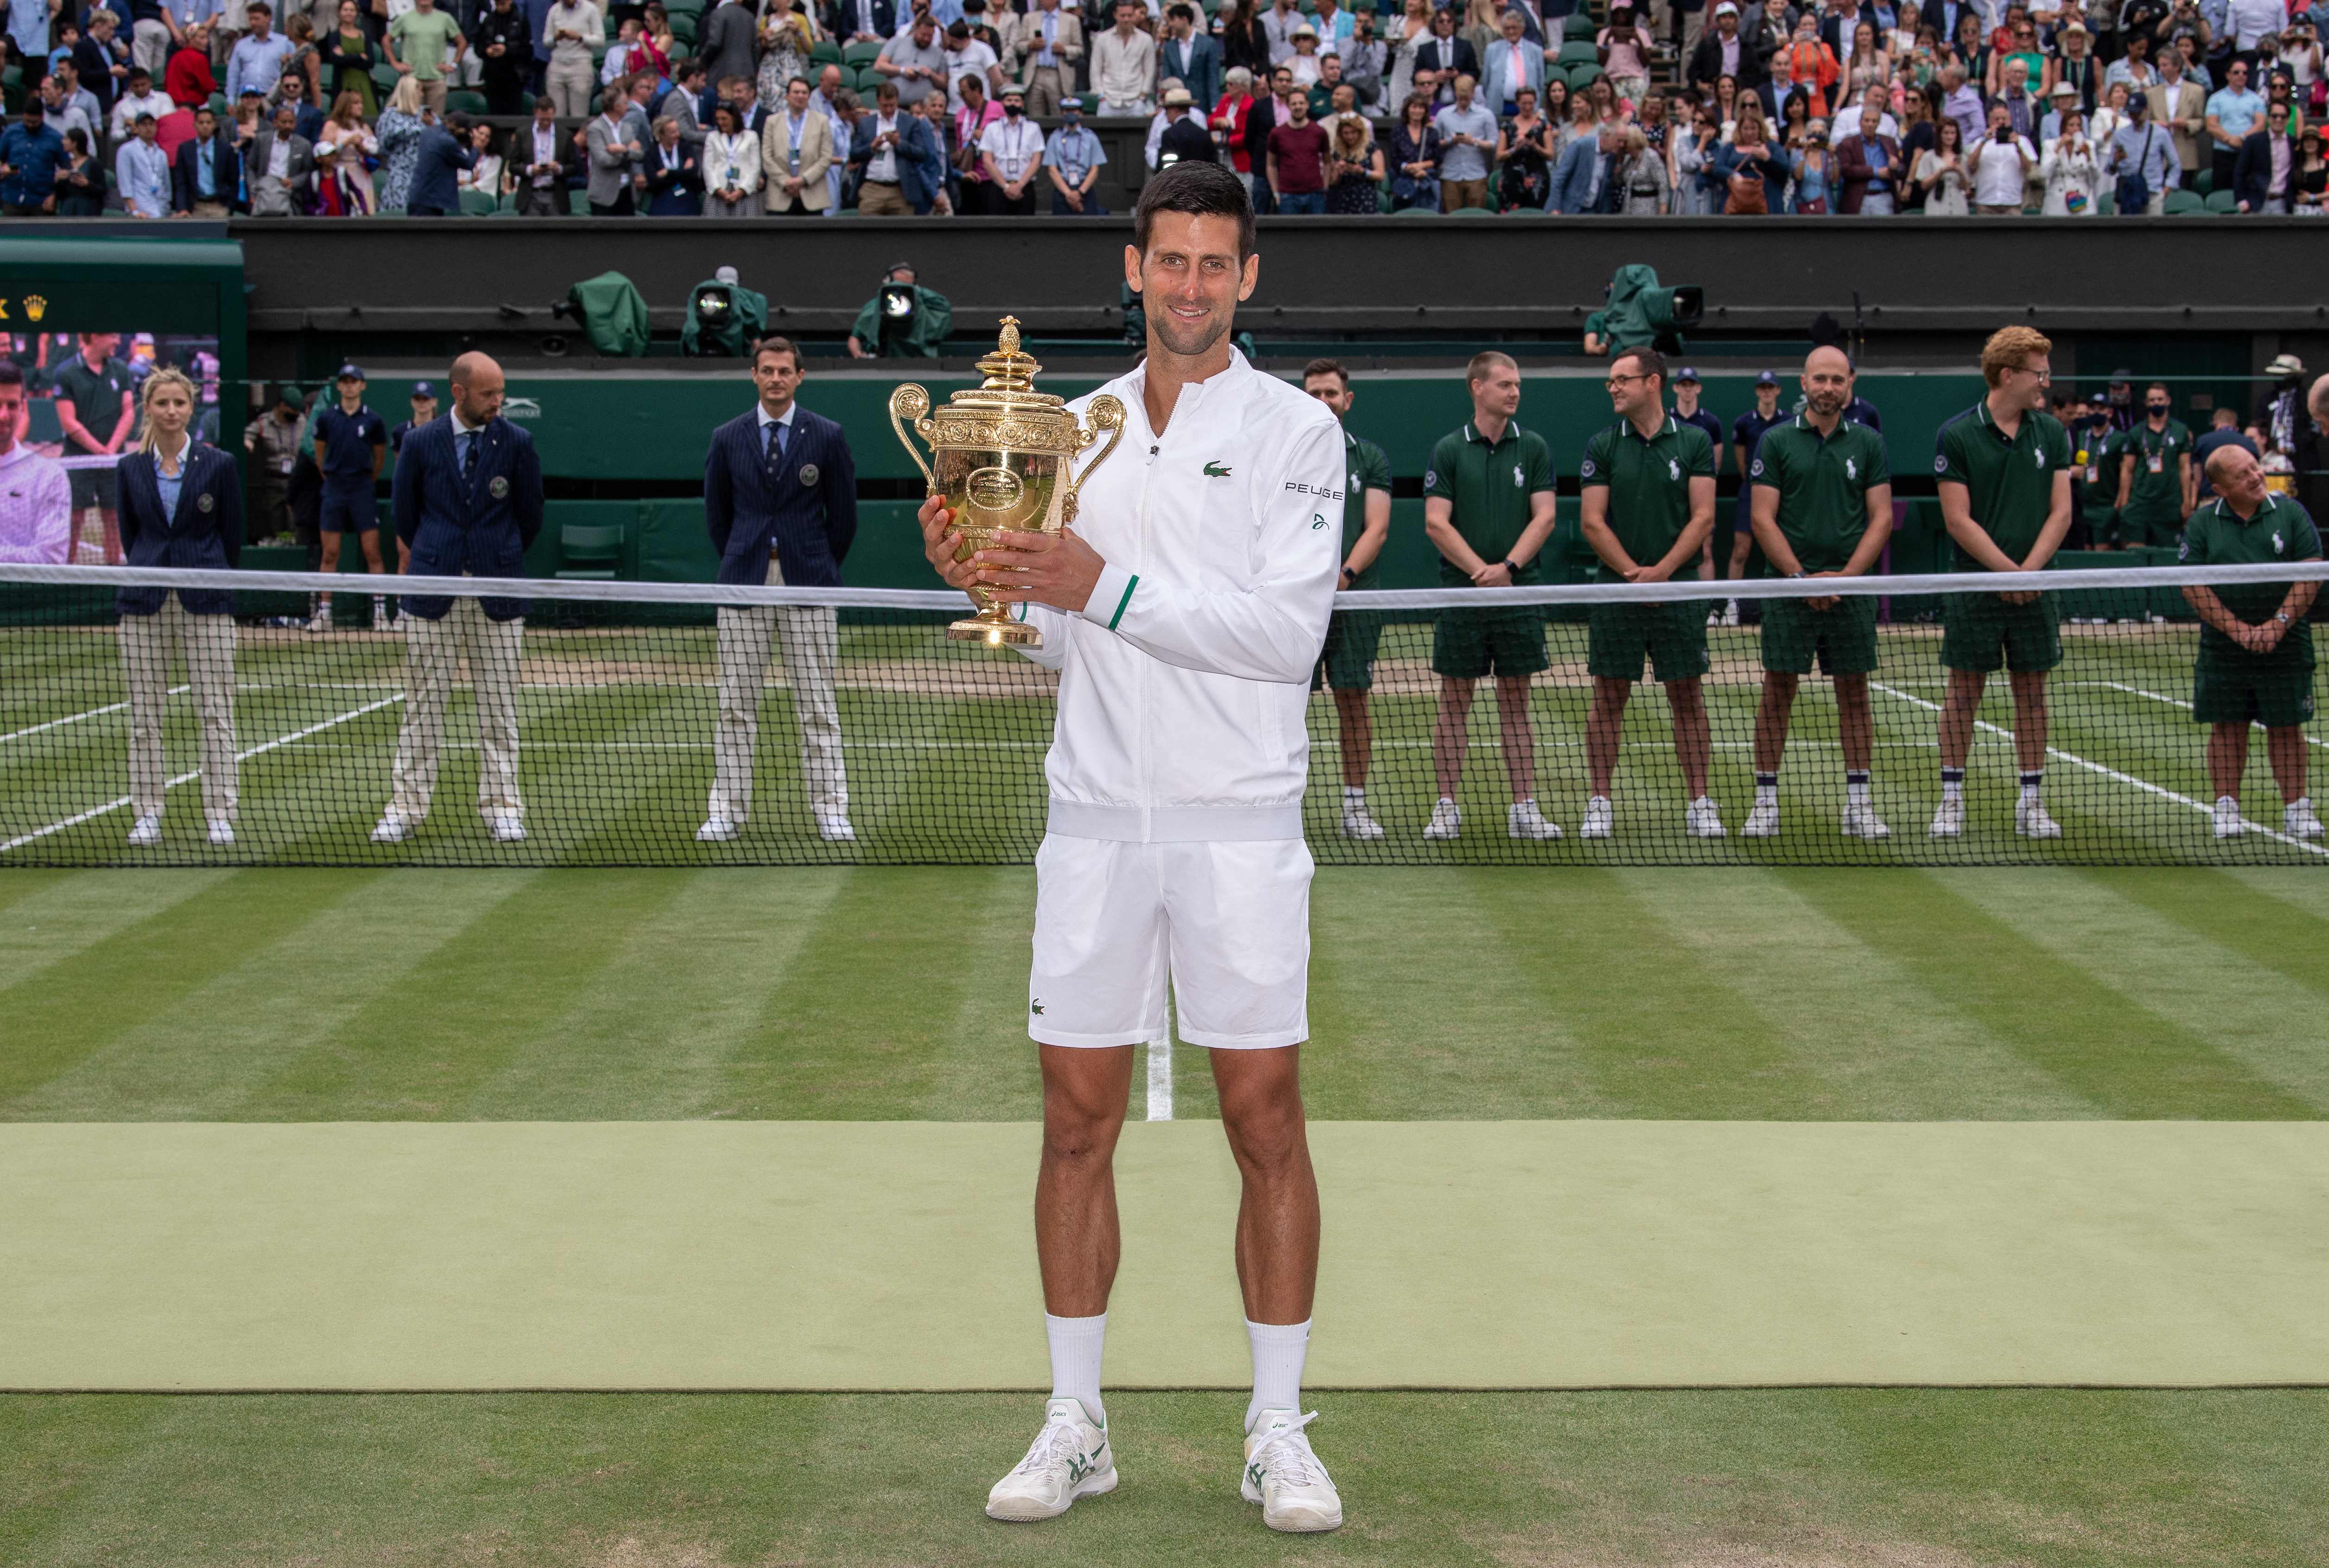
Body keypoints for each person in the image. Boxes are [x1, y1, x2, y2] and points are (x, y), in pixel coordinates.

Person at [915, 162, 1349, 1535]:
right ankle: (1074, 1422)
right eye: (1170, 261)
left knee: (1263, 1124)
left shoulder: (1296, 433)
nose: (1190, 285)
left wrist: (1097, 584)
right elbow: (1055, 627)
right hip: (1095, 823)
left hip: (1238, 826)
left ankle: (1277, 1429)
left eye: (1213, 264)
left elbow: (1285, 637)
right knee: (1070, 1130)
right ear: (1134, 268)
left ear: (1248, 278)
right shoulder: (1069, 428)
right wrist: (987, 573)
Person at [372, 353, 543, 848]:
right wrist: (442, 556)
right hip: (433, 587)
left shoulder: (517, 442)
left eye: (501, 392)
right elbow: (405, 516)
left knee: (499, 707)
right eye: (488, 393)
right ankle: (406, 806)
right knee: (423, 706)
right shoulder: (420, 443)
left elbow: (529, 515)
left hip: (498, 588)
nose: (498, 401)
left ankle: (503, 807)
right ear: (458, 392)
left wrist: (494, 558)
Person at [699, 335, 857, 844]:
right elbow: (717, 517)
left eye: (784, 371)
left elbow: (844, 519)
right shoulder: (727, 437)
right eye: (766, 370)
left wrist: (813, 561)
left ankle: (831, 810)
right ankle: (726, 811)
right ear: (754, 375)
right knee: (735, 705)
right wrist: (747, 555)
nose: (775, 379)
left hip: (809, 581)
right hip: (744, 580)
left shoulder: (827, 435)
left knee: (817, 705)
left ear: (799, 377)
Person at [1743, 344, 1895, 841]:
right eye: (1819, 379)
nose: (1828, 388)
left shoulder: (1869, 442)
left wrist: (1846, 578)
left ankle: (1858, 803)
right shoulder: (1775, 441)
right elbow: (1761, 518)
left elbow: (1881, 518)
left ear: (1848, 384)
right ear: (1802, 383)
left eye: (1837, 380)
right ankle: (1764, 801)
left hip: (1849, 592)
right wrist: (1798, 579)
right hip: (1789, 591)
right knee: (1777, 693)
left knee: (1854, 695)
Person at [1930, 326, 2074, 842]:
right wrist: (2006, 574)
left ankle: (2030, 801)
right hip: (1976, 588)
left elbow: (2060, 511)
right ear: (2008, 374)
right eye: (2038, 372)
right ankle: (1950, 799)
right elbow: (1957, 520)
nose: (2046, 381)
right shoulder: (1956, 434)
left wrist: (2029, 571)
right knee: (1963, 692)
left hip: (2035, 586)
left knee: (2032, 695)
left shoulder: (2052, 433)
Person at [1577, 347, 1723, 841]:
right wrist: (1632, 575)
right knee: (1608, 697)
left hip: (1677, 593)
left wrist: (1661, 573)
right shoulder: (1601, 445)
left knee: (1687, 697)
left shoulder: (1696, 441)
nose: (1613, 387)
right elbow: (1592, 521)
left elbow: (1702, 516)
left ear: (1653, 382)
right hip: (1617, 594)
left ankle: (1700, 800)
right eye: (1610, 381)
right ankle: (1599, 800)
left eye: (1622, 379)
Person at [1420, 351, 1561, 842]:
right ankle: (1445, 805)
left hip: (1518, 595)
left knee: (1516, 702)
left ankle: (1523, 806)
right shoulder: (1448, 450)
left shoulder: (1535, 448)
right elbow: (1435, 521)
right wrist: (1480, 571)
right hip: (1463, 595)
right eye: (1504, 384)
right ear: (1477, 388)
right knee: (1454, 700)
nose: (1514, 392)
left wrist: (1509, 569)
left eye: (1517, 384)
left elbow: (1544, 516)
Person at [114, 367, 242, 850]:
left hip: (206, 598)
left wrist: (206, 575)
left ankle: (220, 813)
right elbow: (133, 536)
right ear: (148, 408)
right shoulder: (129, 468)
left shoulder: (220, 465)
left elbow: (231, 537)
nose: (171, 411)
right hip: (143, 600)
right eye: (162, 403)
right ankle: (147, 812)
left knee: (216, 712)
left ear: (191, 408)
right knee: (145, 715)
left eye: (180, 403)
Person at [2180, 444, 2324, 840]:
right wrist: (2238, 629)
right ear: (2220, 487)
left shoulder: (2291, 513)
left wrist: (2276, 624)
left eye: (2255, 467)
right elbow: (2192, 585)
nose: (2256, 476)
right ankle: (2226, 808)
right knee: (2227, 727)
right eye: (2243, 474)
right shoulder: (2203, 522)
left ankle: (2297, 807)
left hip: (2287, 644)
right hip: (2224, 649)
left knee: (2286, 727)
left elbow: (2310, 573)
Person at [1300, 358, 1392, 840]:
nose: (1322, 401)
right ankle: (1280, 806)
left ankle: (1354, 807)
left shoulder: (1370, 458)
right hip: (1295, 603)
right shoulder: (1285, 455)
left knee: (1353, 701)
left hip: (1353, 601)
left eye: (1330, 393)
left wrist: (1344, 575)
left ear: (1346, 400)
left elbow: (1376, 526)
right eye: (1313, 393)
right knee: (1285, 704)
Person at [308, 362, 389, 632]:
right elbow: (320, 455)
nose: (350, 386)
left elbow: (379, 458)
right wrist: (332, 477)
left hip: (362, 489)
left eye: (354, 381)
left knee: (372, 551)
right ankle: (324, 614)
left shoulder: (374, 420)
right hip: (334, 488)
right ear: (339, 386)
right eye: (345, 381)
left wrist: (366, 480)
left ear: (362, 386)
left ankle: (380, 613)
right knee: (330, 553)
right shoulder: (326, 419)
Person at [0, 363, 71, 565]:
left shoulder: (50, 476)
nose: (4, 415)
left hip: (26, 596)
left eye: (12, 406)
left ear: (23, 407)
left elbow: (51, 558)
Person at [2112, 382, 2193, 550]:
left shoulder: (2180, 430)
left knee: (2168, 555)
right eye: (2152, 400)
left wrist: (2187, 501)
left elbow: (2185, 468)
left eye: (2160, 399)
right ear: (2147, 403)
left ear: (2168, 401)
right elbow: (2127, 469)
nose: (2157, 403)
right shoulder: (2136, 432)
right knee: (2136, 553)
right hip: (2141, 502)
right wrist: (2125, 502)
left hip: (2169, 503)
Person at [851, 78, 940, 213]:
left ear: (897, 101)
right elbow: (854, 154)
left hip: (901, 190)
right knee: (868, 233)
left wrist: (899, 143)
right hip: (872, 189)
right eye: (884, 105)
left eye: (892, 105)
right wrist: (872, 147)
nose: (888, 109)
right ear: (878, 102)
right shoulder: (866, 123)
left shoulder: (910, 123)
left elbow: (922, 154)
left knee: (902, 233)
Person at [55, 333, 137, 458]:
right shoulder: (65, 373)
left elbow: (128, 411)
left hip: (115, 459)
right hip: (78, 461)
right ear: (95, 337)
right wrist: (101, 452)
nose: (118, 342)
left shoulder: (121, 369)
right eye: (113, 337)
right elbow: (68, 421)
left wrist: (111, 450)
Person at [762, 72, 834, 213]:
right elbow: (767, 157)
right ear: (787, 96)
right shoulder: (772, 121)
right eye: (796, 92)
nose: (800, 96)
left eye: (804, 93)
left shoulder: (822, 121)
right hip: (780, 195)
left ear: (809, 96)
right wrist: (786, 182)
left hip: (812, 193)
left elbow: (826, 158)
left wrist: (803, 180)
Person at [846, 259, 951, 357]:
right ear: (888, 283)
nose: (899, 288)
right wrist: (858, 354)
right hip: (884, 363)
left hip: (920, 363)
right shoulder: (874, 306)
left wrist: (916, 291)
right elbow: (855, 338)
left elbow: (944, 305)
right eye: (896, 284)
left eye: (905, 286)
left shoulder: (926, 306)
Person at [385, 0, 463, 117]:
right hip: (412, 80)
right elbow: (386, 40)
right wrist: (394, 63)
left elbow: (462, 42)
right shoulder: (405, 18)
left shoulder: (445, 18)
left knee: (436, 121)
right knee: (411, 119)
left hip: (437, 79)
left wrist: (454, 64)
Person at [1432, 69, 1495, 208]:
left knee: (1476, 219)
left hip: (1476, 174)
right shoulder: (1443, 114)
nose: (1463, 101)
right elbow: (1434, 143)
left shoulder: (1486, 115)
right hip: (1450, 174)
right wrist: (1451, 141)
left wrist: (1474, 142)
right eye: (1460, 97)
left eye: (1466, 97)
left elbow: (1493, 143)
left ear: (1473, 93)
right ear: (1455, 93)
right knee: (1451, 219)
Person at [1264, 73, 1328, 210]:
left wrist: (1325, 188)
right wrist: (1276, 192)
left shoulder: (1319, 131)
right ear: (1288, 106)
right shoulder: (1277, 133)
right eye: (1294, 104)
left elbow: (1328, 162)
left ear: (1307, 105)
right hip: (1287, 195)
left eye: (1301, 103)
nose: (1298, 107)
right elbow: (1271, 165)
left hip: (1315, 194)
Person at [977, 82, 1043, 213]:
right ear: (1002, 103)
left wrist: (1019, 186)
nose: (1013, 104)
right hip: (999, 188)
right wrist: (1006, 186)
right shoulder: (992, 129)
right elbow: (987, 161)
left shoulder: (1033, 128)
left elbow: (1036, 161)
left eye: (1017, 101)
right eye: (1009, 100)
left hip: (1025, 188)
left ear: (1023, 104)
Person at [402, 105, 474, 215]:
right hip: (431, 202)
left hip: (416, 197)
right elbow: (468, 164)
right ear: (457, 127)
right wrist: (477, 147)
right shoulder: (447, 141)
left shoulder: (427, 132)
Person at [0, 97, 67, 215]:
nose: (31, 125)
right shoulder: (11, 133)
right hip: (13, 198)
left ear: (42, 117)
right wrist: (4, 170)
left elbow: (66, 167)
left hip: (42, 201)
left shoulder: (54, 138)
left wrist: (55, 195)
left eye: (34, 122)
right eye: (28, 121)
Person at [1043, 92, 1108, 212]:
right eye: (1067, 111)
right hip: (1062, 190)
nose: (1071, 113)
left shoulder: (1090, 137)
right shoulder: (1055, 138)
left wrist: (1079, 193)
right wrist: (1069, 194)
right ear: (1062, 114)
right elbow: (1052, 170)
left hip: (1085, 190)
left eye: (1074, 110)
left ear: (1081, 113)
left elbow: (1095, 170)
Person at [703, 98, 764, 214]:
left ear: (734, 117)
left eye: (724, 119)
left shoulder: (751, 136)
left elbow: (755, 167)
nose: (721, 122)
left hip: (744, 193)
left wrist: (741, 191)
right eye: (718, 119)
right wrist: (719, 190)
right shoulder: (712, 137)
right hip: (719, 193)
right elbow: (708, 166)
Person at [2040, 102, 2101, 212]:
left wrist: (2089, 157)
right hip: (2057, 200)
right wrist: (2058, 149)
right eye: (2071, 125)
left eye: (2079, 125)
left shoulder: (2089, 146)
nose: (2075, 129)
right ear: (2064, 127)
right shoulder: (2050, 145)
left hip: (2082, 198)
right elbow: (2045, 173)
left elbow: (2096, 177)